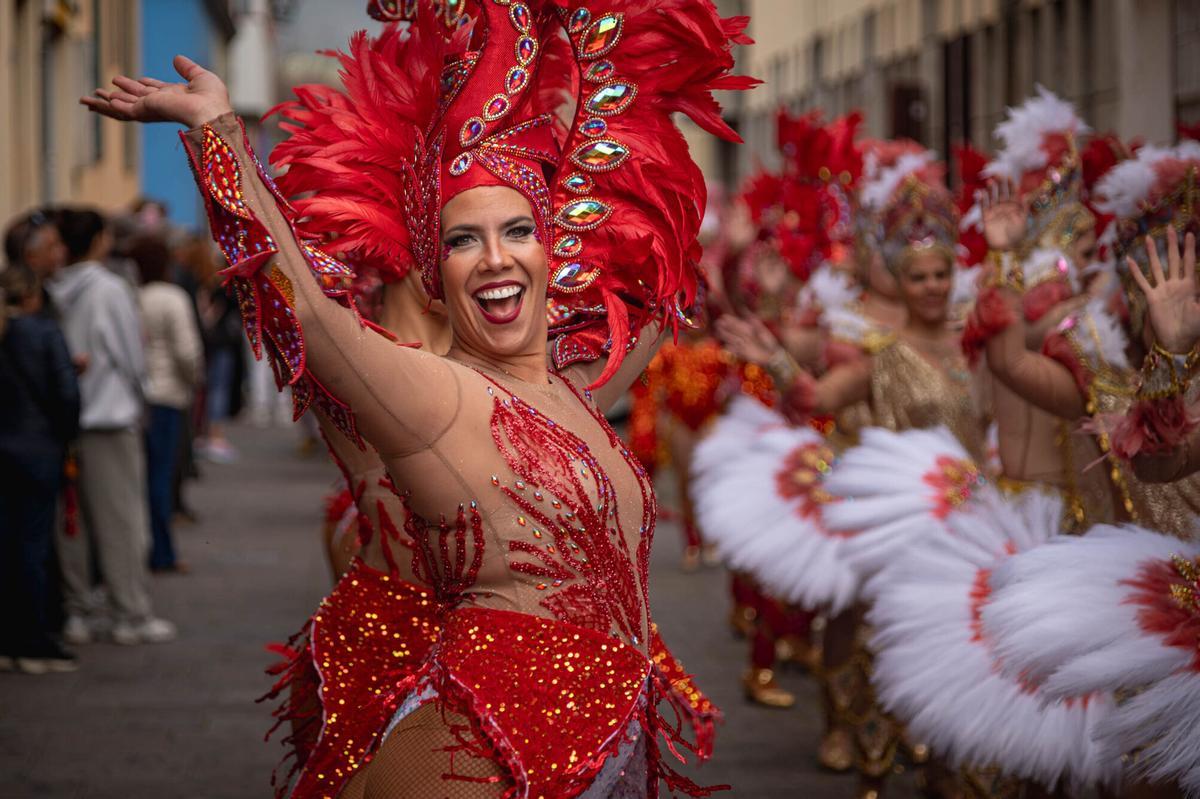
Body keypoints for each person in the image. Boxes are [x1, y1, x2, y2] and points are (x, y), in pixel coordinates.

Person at [81, 0, 755, 795]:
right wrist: (218, 133)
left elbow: (657, 271)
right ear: (433, 275)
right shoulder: (438, 400)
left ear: (553, 246)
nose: (494, 259)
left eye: (517, 231)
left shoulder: (577, 386)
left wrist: (587, 76)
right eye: (462, 241)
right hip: (475, 753)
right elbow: (315, 321)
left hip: (602, 746)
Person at [45, 208, 177, 646]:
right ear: (99, 240)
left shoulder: (51, 286)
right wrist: (141, 395)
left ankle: (77, 611)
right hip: (110, 414)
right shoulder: (109, 288)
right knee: (122, 521)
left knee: (72, 522)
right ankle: (129, 613)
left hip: (64, 418)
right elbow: (128, 351)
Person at [0, 262, 80, 674]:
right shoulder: (42, 331)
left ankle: (7, 638)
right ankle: (32, 638)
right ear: (32, 295)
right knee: (33, 546)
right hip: (36, 450)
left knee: (6, 543)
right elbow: (66, 395)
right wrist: (66, 436)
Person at [130, 233, 204, 572]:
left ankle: (143, 548)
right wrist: (193, 382)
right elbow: (187, 352)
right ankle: (162, 553)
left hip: (138, 396)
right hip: (168, 395)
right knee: (162, 478)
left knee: (140, 479)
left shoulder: (132, 296)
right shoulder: (172, 298)